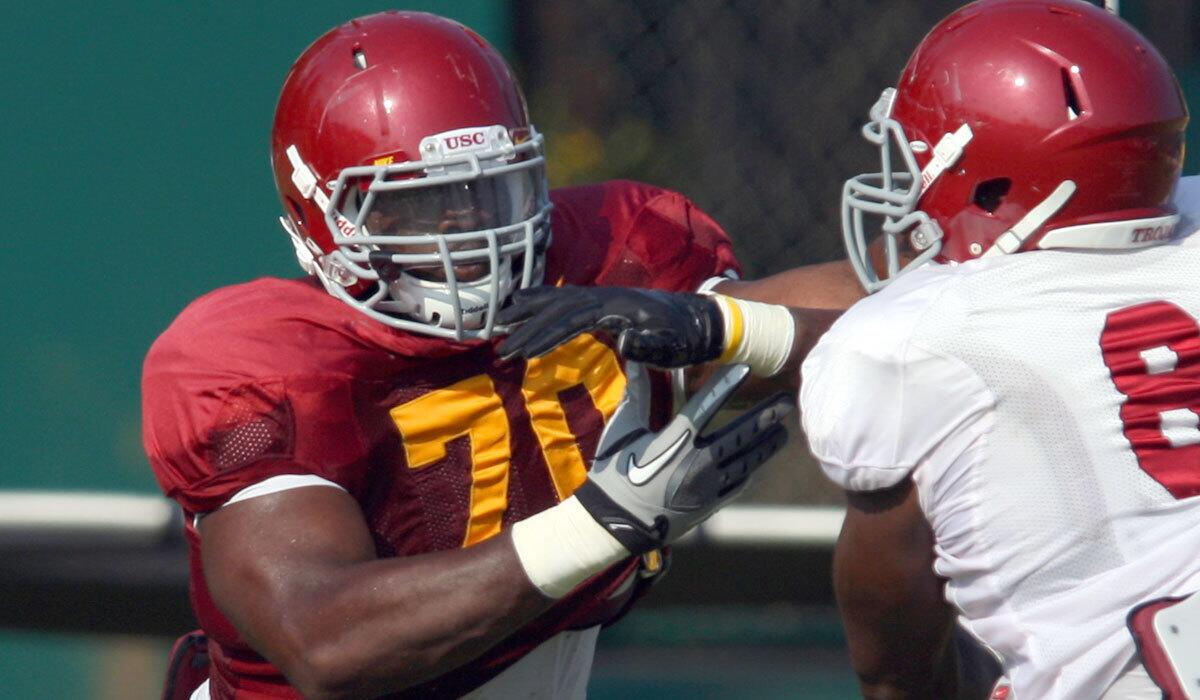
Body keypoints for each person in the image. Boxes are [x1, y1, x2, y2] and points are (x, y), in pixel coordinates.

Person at [499, 1, 1200, 697]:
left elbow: (895, 666)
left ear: (992, 179)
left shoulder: (898, 346)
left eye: (916, 157)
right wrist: (723, 324)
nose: (906, 183)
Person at [141, 11, 802, 700]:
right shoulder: (267, 366)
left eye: (489, 190)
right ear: (326, 218)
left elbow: (863, 325)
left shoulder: (604, 265)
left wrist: (724, 324)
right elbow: (326, 641)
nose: (470, 231)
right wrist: (600, 524)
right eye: (420, 207)